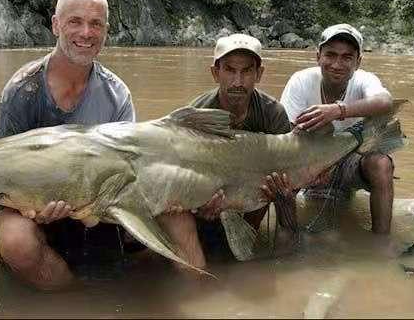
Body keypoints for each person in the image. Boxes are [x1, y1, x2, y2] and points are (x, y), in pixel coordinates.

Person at [0, 0, 139, 290]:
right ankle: (69, 297)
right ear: (56, 25)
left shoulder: (118, 95)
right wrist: (31, 208)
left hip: (94, 208)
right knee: (15, 240)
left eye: (95, 24)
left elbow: (126, 172)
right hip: (29, 207)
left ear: (105, 31)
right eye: (75, 21)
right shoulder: (22, 90)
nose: (86, 33)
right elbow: (0, 178)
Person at [158, 34, 300, 268]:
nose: (237, 81)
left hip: (255, 188)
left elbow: (291, 163)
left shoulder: (273, 113)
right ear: (215, 73)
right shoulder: (196, 113)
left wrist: (287, 194)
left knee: (280, 193)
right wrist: (198, 204)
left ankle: (274, 261)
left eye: (246, 71)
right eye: (229, 70)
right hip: (211, 192)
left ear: (259, 74)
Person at [280, 23, 394, 234]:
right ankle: (288, 239)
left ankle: (382, 242)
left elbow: (385, 102)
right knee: (281, 175)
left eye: (346, 57)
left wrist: (338, 110)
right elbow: (287, 136)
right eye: (330, 55)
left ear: (358, 62)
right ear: (318, 57)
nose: (337, 64)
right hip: (309, 158)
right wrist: (316, 165)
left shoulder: (364, 80)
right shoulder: (300, 81)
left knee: (381, 164)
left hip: (352, 159)